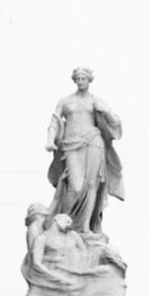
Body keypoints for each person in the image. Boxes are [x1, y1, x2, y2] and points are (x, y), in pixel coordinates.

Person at [46, 66, 124, 235]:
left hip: (93, 143)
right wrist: (50, 141)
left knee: (91, 186)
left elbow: (115, 122)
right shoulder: (65, 101)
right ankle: (65, 224)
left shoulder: (95, 101)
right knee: (75, 186)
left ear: (89, 80)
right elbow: (54, 123)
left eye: (84, 79)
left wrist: (106, 110)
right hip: (71, 145)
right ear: (74, 80)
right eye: (78, 79)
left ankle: (86, 226)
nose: (81, 81)